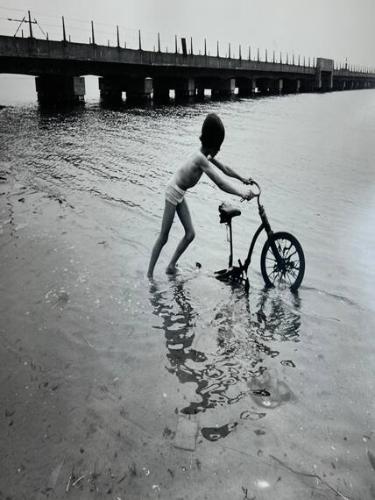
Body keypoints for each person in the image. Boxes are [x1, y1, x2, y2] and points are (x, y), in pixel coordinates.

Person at [147, 113, 255, 278]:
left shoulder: (206, 155)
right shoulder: (200, 159)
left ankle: (170, 267)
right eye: (219, 146)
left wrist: (242, 179)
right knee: (163, 237)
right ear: (213, 145)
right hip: (172, 192)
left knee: (190, 234)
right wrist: (241, 192)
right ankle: (149, 276)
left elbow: (225, 169)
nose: (219, 150)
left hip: (180, 193)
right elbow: (220, 183)